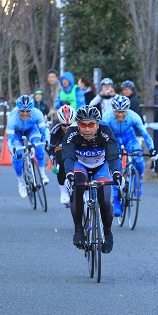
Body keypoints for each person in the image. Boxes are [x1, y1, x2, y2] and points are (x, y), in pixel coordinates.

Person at [62, 105, 122, 252]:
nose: (87, 129)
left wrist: (116, 173)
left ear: (98, 124)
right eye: (83, 125)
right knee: (78, 187)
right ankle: (78, 229)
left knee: (105, 200)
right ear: (78, 125)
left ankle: (108, 232)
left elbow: (113, 155)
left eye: (91, 125)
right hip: (80, 165)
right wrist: (69, 174)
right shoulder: (71, 132)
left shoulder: (106, 131)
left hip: (100, 166)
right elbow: (68, 156)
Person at [100, 95, 158, 216]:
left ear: (127, 110)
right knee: (115, 168)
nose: (120, 115)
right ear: (113, 110)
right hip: (114, 138)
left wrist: (152, 149)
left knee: (138, 157)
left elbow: (145, 134)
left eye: (123, 112)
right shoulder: (106, 117)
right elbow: (101, 135)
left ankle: (138, 179)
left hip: (129, 138)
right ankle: (116, 201)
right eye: (117, 112)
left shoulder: (134, 116)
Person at [6, 95, 50, 198]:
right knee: (18, 154)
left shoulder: (37, 114)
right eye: (22, 111)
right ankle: (21, 182)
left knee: (39, 145)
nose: (25, 114)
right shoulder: (12, 118)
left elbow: (44, 131)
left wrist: (46, 141)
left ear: (32, 109)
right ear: (18, 109)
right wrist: (13, 150)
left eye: (28, 111)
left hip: (31, 129)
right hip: (16, 134)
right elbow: (10, 139)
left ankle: (42, 174)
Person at [47, 104, 74, 206]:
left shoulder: (79, 126)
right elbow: (51, 149)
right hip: (60, 143)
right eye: (64, 125)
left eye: (69, 125)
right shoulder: (55, 128)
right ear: (59, 122)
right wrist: (54, 160)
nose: (66, 127)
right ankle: (63, 192)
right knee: (59, 161)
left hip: (74, 142)